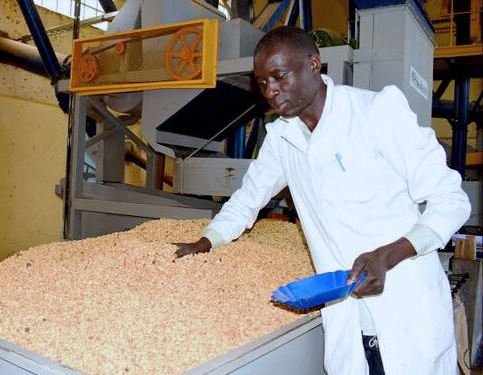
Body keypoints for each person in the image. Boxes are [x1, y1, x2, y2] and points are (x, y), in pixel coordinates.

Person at [175, 26, 471, 375]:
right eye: (262, 82)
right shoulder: (281, 137)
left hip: (405, 306)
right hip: (349, 320)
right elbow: (246, 200)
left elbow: (452, 201)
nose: (270, 91)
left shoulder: (376, 112)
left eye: (279, 76)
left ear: (314, 64)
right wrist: (207, 240)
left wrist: (388, 256)